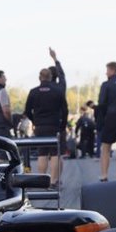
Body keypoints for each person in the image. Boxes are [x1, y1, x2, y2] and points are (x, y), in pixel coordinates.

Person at [23, 48, 68, 183]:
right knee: (55, 154)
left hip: (40, 126)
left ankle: (42, 181)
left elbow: (27, 110)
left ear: (40, 77)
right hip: (54, 125)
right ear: (51, 77)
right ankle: (54, 181)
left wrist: (34, 121)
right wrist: (62, 125)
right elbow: (65, 110)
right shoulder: (59, 90)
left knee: (42, 153)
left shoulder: (34, 92)